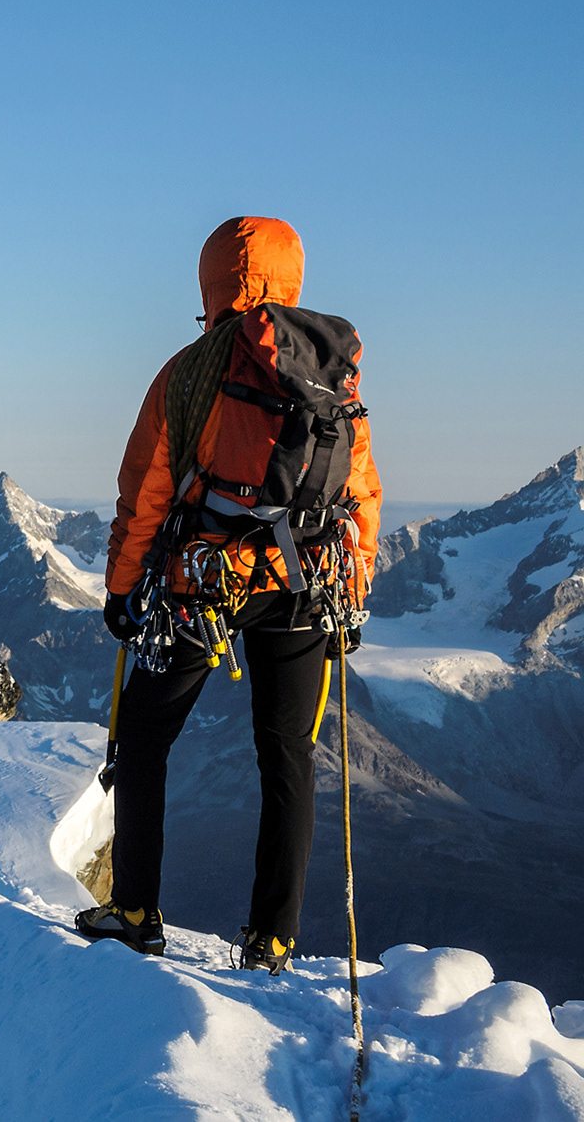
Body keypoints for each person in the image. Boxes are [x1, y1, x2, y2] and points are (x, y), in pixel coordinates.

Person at [74, 216, 381, 972]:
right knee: (288, 756)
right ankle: (272, 938)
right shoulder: (332, 367)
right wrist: (356, 592)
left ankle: (137, 910)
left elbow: (146, 490)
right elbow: (363, 494)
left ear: (211, 280)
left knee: (145, 737)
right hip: (306, 584)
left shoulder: (190, 369)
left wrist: (121, 589)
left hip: (203, 584)